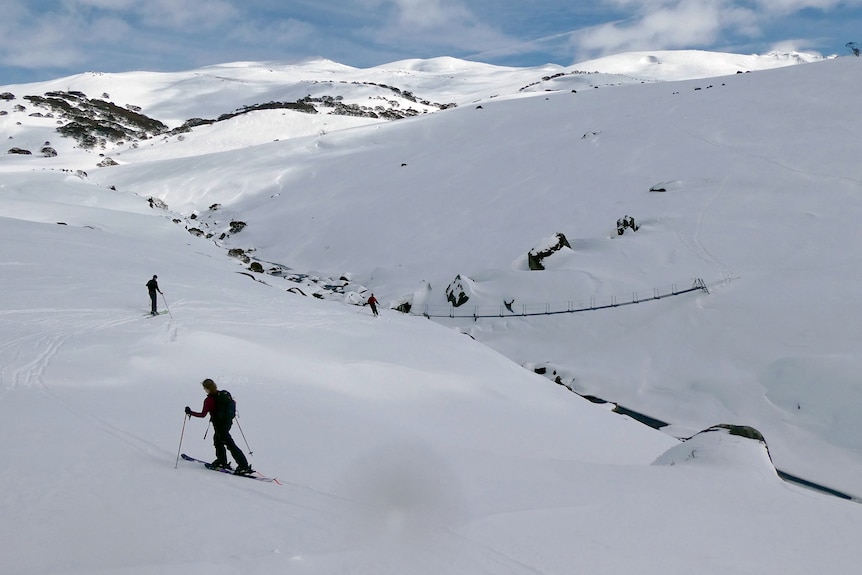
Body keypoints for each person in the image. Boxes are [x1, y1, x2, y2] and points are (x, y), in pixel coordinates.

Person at [185, 378, 254, 475]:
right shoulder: (223, 395)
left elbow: (202, 414)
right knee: (218, 440)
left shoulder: (209, 400)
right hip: (227, 423)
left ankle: (243, 466)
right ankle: (222, 461)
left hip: (219, 425)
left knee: (229, 444)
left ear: (207, 388)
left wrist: (190, 412)